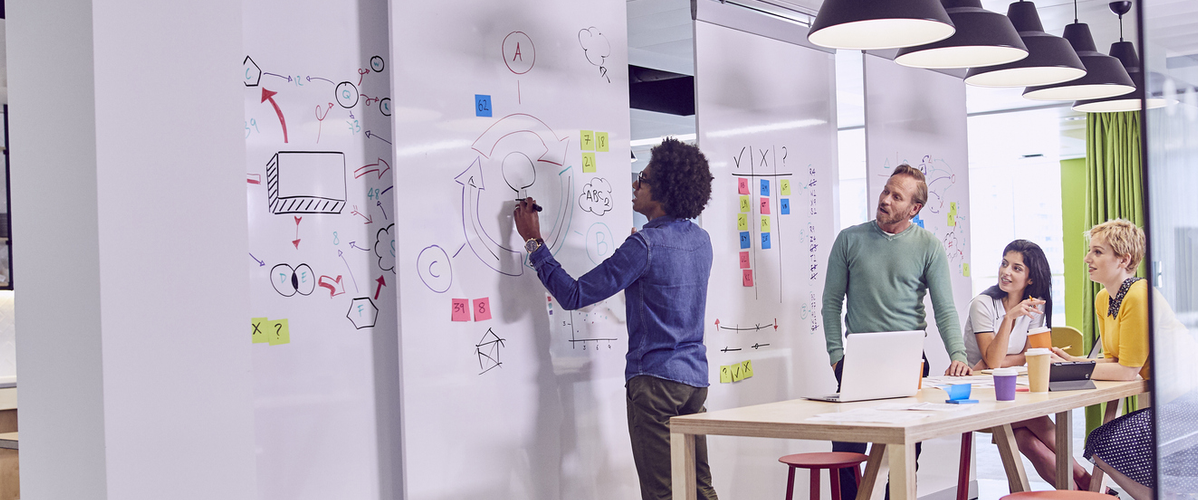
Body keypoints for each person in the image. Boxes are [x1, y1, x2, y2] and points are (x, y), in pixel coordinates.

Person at [513, 138, 717, 500]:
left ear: (665, 190)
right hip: (694, 382)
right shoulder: (701, 241)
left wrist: (534, 243)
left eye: (643, 178)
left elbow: (573, 294)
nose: (634, 185)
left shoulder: (644, 247)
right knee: (700, 489)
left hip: (654, 386)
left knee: (662, 494)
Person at [821, 163, 972, 499]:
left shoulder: (928, 246)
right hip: (858, 361)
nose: (885, 199)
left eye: (896, 196)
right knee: (845, 450)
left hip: (909, 361)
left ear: (914, 208)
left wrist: (958, 356)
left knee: (904, 451)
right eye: (885, 191)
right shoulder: (850, 239)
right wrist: (836, 357)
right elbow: (831, 303)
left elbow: (944, 308)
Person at [964, 240, 1106, 491]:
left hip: (1010, 390)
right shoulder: (983, 304)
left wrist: (1000, 360)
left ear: (1030, 279)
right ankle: (1087, 482)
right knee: (1036, 417)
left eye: (1017, 268)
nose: (1006, 271)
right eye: (1004, 263)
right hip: (977, 394)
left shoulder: (1035, 305)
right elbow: (996, 361)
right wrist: (1009, 318)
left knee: (1026, 439)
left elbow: (1035, 354)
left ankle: (1077, 491)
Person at [1050, 219, 1153, 499]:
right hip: (1165, 398)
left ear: (1124, 259)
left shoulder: (1138, 295)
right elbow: (1114, 360)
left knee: (1101, 443)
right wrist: (1073, 363)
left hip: (1184, 402)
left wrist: (1076, 369)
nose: (1087, 258)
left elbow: (1127, 371)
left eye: (1097, 252)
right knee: (1099, 443)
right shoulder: (1103, 298)